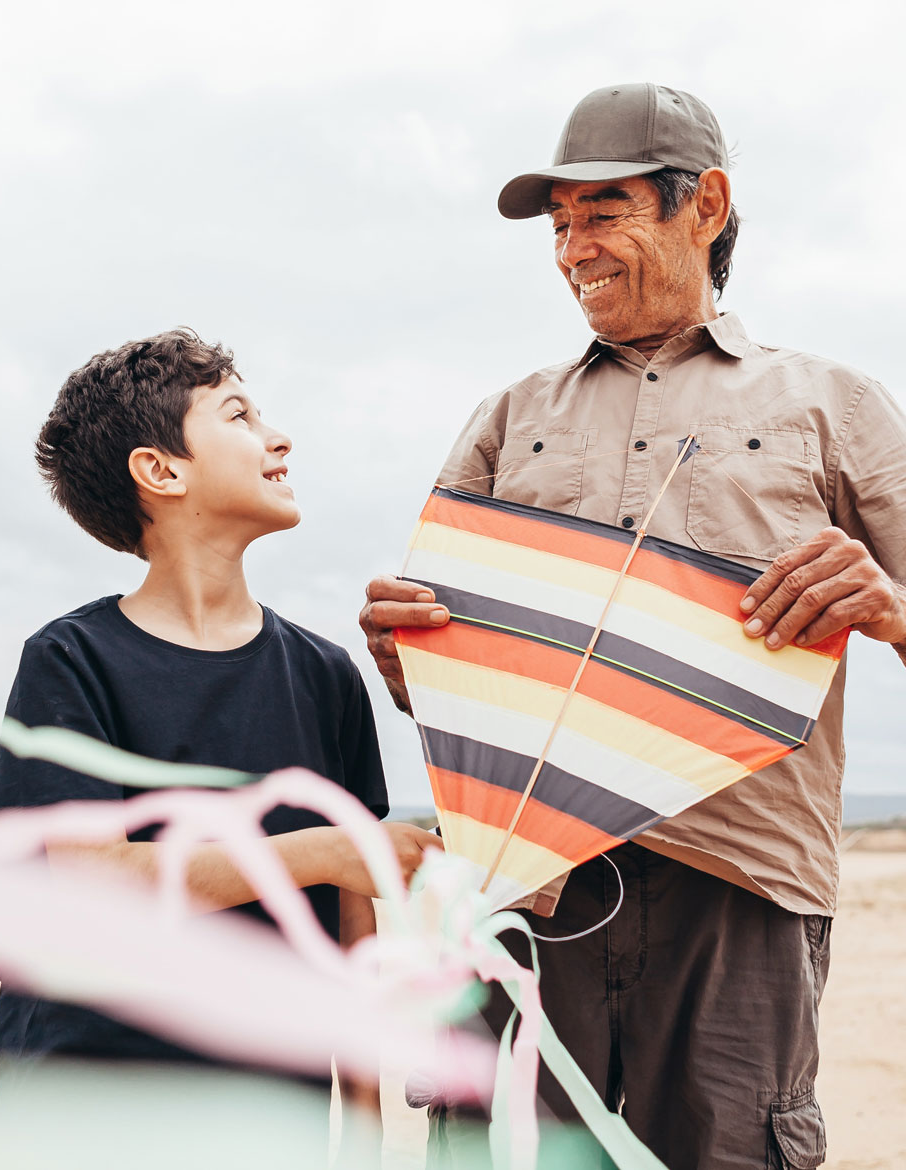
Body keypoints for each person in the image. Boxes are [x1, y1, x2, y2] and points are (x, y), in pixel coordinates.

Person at [359, 83, 906, 1169]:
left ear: (703, 204)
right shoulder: (506, 419)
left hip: (739, 883)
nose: (573, 251)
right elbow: (441, 686)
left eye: (601, 212)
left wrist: (886, 606)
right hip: (522, 879)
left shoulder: (832, 405)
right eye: (559, 228)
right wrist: (401, 648)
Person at [0, 327, 437, 1083]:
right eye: (239, 416)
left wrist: (361, 1127)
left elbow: (351, 920)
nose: (277, 436)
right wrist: (322, 850)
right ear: (160, 470)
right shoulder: (69, 662)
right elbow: (94, 882)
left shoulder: (325, 675)